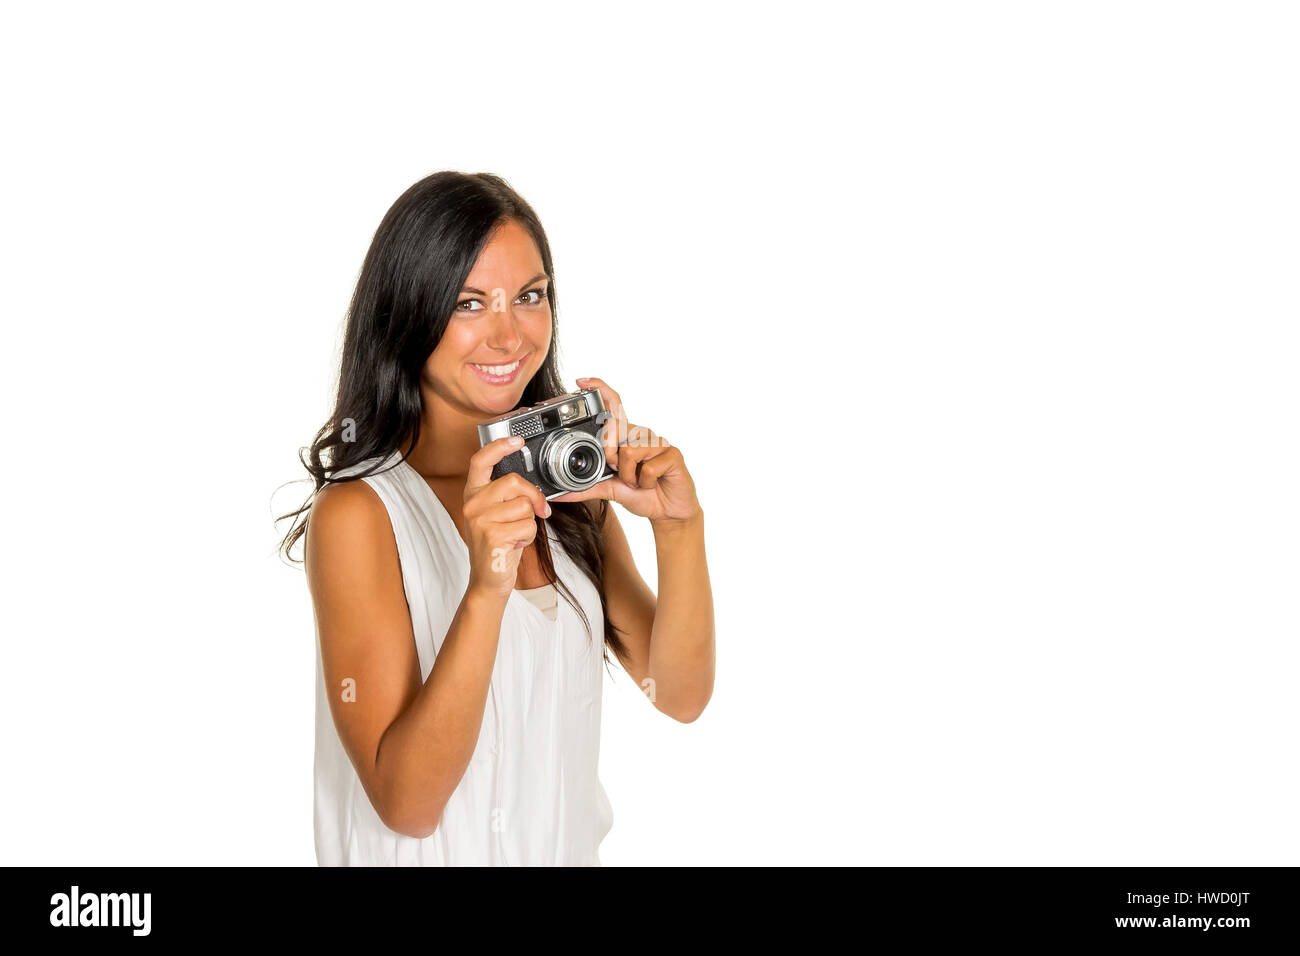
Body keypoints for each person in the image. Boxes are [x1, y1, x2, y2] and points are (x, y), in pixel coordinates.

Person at [277, 171, 715, 865]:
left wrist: (679, 527)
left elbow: (681, 695)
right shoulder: (361, 514)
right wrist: (486, 587)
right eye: (470, 303)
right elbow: (408, 804)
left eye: (531, 296)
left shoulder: (571, 502)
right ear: (410, 312)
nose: (509, 335)